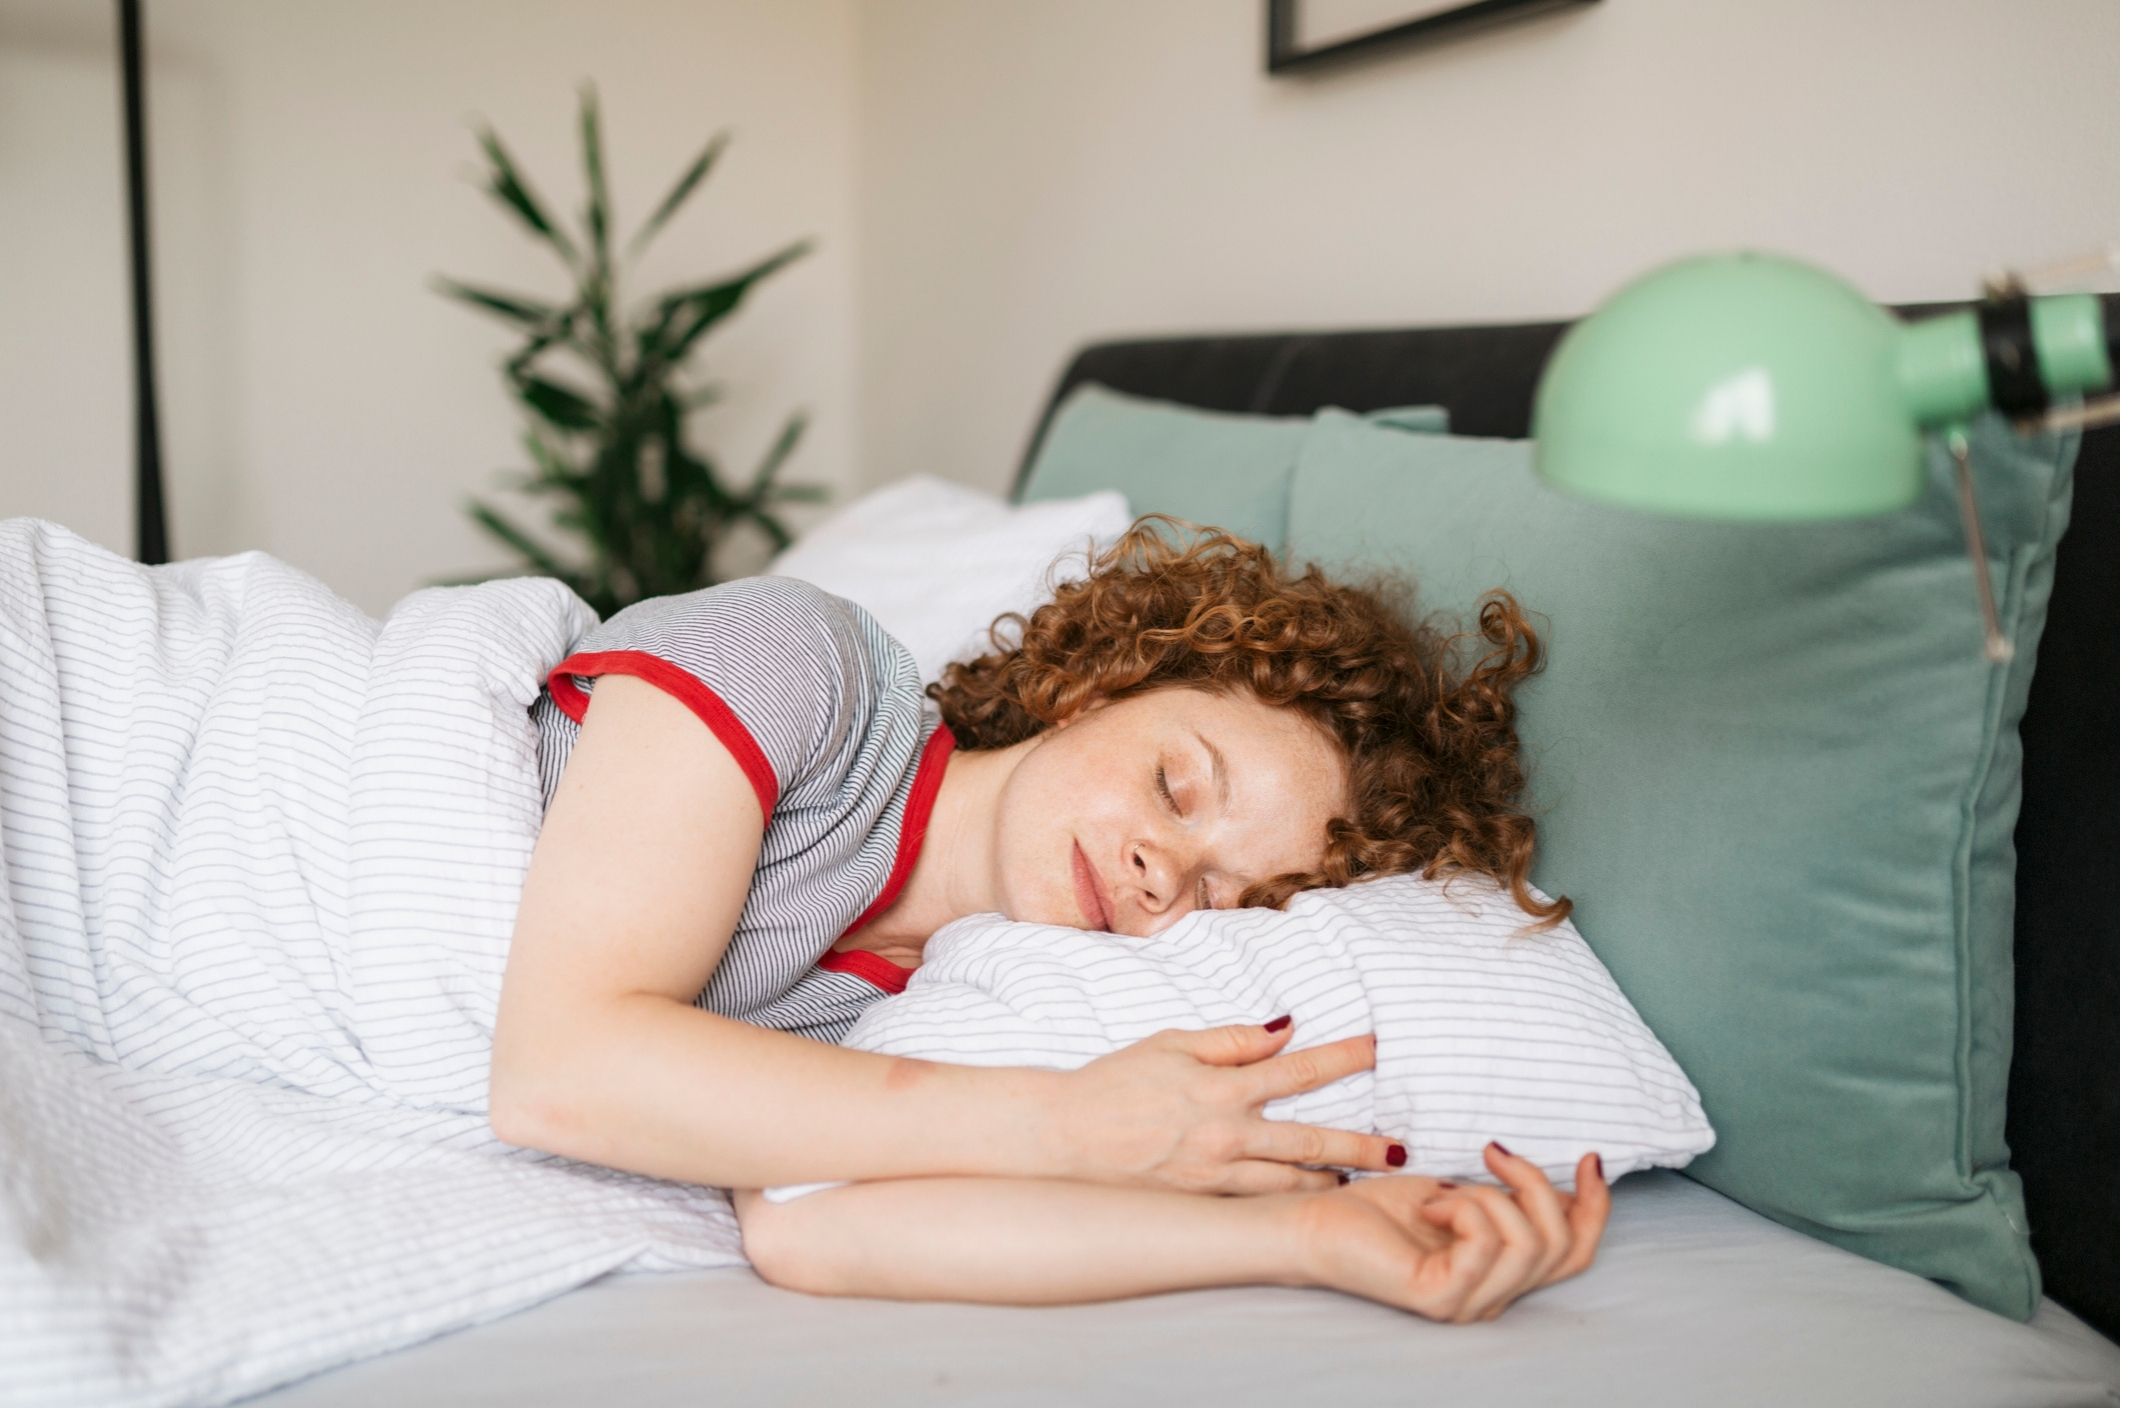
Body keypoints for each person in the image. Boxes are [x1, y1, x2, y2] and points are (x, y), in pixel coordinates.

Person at [490, 513, 1609, 1325]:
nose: (1158, 868)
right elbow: (560, 1065)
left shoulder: (958, 1006)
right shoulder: (803, 662)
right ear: (1107, 681)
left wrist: (1306, 1238)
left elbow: (809, 1224)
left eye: (1221, 897)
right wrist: (1070, 1123)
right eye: (1177, 784)